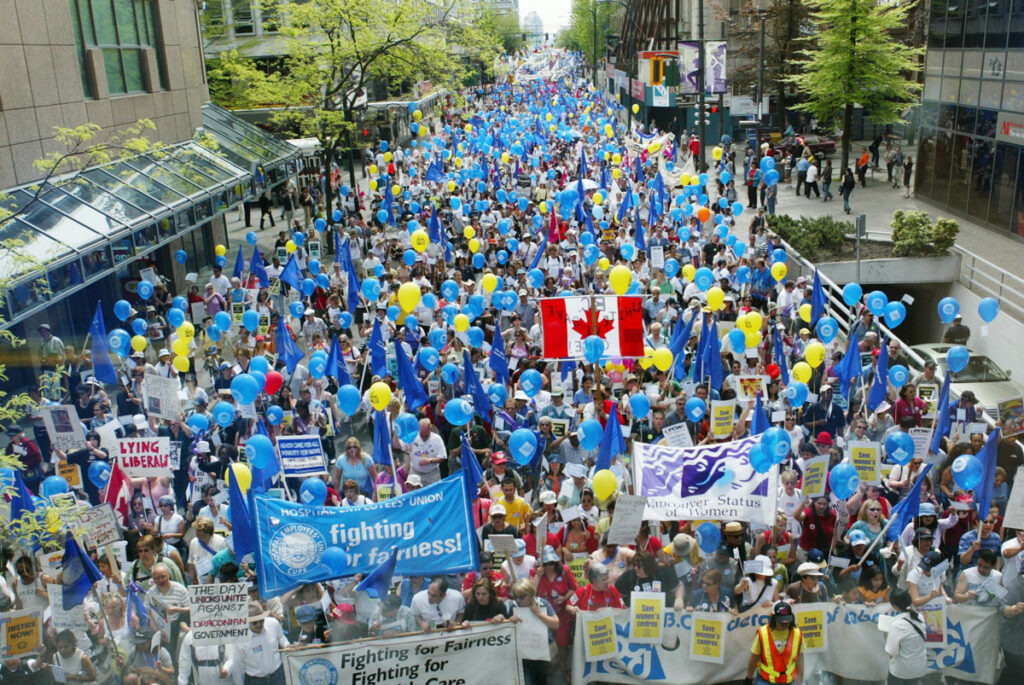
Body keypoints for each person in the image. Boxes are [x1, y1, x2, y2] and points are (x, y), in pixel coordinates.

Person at [225, 602, 289, 685]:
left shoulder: (273, 623)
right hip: (255, 681)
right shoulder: (239, 640)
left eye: (261, 621)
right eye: (254, 623)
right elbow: (238, 666)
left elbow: (281, 637)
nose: (258, 624)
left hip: (278, 676)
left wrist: (287, 645)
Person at [885, 589, 941, 684]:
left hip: (901, 670)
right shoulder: (919, 617)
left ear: (894, 606)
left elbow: (892, 651)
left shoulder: (897, 625)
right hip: (919, 668)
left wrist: (887, 637)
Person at [744, 601, 804, 685]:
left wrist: (800, 682)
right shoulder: (763, 633)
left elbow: (800, 658)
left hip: (789, 681)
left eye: (787, 621)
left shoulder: (797, 634)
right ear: (774, 618)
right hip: (765, 681)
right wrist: (748, 678)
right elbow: (754, 657)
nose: (785, 624)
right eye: (781, 622)